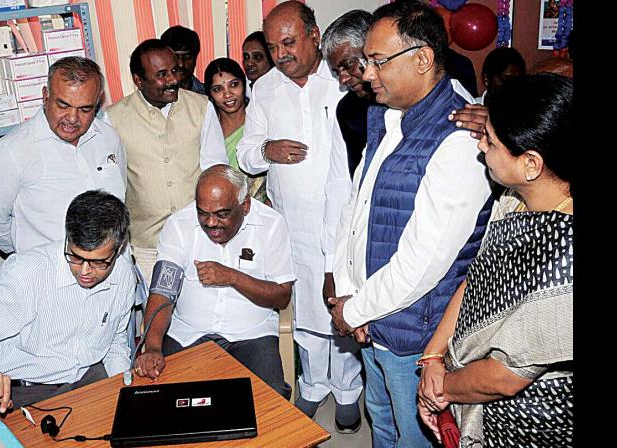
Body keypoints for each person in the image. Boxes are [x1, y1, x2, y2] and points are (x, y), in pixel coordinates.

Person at [328, 2, 493, 446]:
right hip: (371, 319)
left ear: (422, 59)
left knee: (414, 437)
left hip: (414, 337)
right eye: (367, 61)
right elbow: (355, 209)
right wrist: (347, 293)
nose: (367, 74)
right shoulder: (385, 115)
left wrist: (355, 310)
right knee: (383, 427)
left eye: (379, 61)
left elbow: (425, 261)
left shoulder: (459, 138)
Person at [417, 73, 573, 447]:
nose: (481, 147)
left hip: (535, 423)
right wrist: (433, 358)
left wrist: (442, 392)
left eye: (490, 140)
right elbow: (477, 278)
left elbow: (507, 376)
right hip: (475, 393)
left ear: (531, 163)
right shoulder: (514, 201)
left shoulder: (566, 258)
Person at [236, 0, 364, 433]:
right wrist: (266, 150)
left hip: (344, 215)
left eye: (289, 42)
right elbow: (245, 153)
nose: (281, 54)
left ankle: (347, 390)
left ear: (315, 35)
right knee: (306, 307)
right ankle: (313, 383)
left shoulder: (345, 76)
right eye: (273, 47)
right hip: (293, 222)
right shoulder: (266, 88)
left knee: (341, 301)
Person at [0, 191, 137, 413]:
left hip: (88, 378)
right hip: (24, 393)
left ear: (119, 249)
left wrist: (122, 388)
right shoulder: (28, 273)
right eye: (75, 256)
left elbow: (115, 340)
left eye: (98, 262)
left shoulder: (123, 274)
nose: (84, 271)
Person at [133, 164, 295, 398]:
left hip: (252, 334)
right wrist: (154, 346)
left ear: (245, 205)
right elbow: (162, 293)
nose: (210, 223)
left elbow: (282, 296)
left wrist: (232, 277)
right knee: (165, 403)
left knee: (268, 405)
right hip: (188, 333)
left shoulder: (271, 224)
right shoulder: (179, 225)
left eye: (222, 214)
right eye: (202, 213)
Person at [103, 39, 227, 282]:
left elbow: (216, 171)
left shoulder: (201, 107)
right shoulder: (114, 118)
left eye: (175, 71)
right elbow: (112, 187)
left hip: (198, 238)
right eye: (161, 74)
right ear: (139, 80)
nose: (172, 80)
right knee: (159, 316)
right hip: (147, 247)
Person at [0, 57, 126, 255]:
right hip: (49, 279)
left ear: (98, 102)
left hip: (114, 271)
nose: (72, 118)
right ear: (45, 96)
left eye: (84, 109)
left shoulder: (108, 138)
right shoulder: (12, 151)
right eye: (63, 105)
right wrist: (34, 258)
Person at [203, 57, 267, 203]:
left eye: (234, 85)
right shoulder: (207, 130)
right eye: (217, 89)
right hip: (222, 209)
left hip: (263, 208)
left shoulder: (260, 123)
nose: (227, 94)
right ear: (210, 95)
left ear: (244, 85)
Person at [321, 9, 376, 178]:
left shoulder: (407, 93)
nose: (343, 80)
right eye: (337, 72)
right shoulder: (348, 110)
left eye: (348, 65)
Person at [160, 25, 206, 95]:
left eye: (187, 57)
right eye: (175, 57)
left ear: (195, 57)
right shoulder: (154, 96)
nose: (181, 64)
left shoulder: (210, 96)